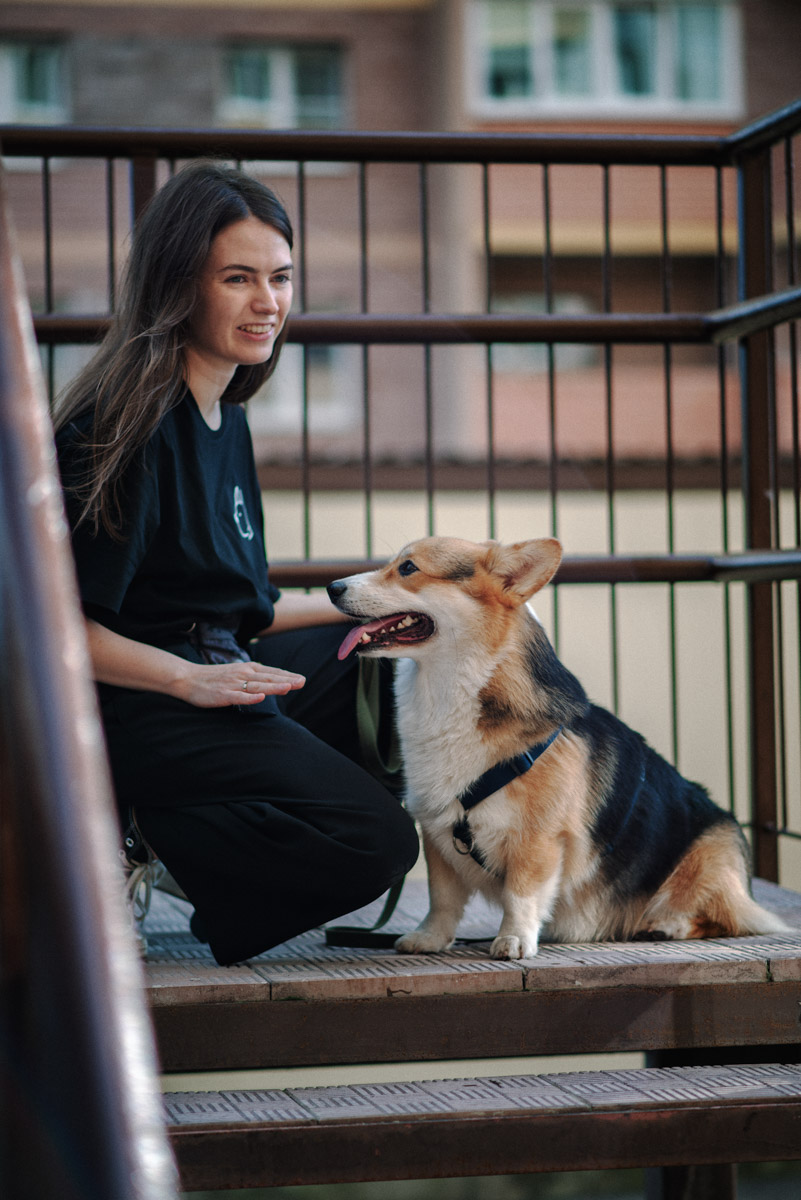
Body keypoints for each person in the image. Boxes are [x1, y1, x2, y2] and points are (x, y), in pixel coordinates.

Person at [54, 161, 418, 966]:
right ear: (179, 285)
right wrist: (188, 680)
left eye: (281, 278)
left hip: (213, 662)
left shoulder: (224, 412)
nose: (268, 303)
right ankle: (140, 830)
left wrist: (397, 605)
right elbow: (52, 632)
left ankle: (196, 841)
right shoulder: (121, 427)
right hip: (133, 702)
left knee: (398, 667)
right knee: (378, 842)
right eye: (238, 278)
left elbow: (241, 610)